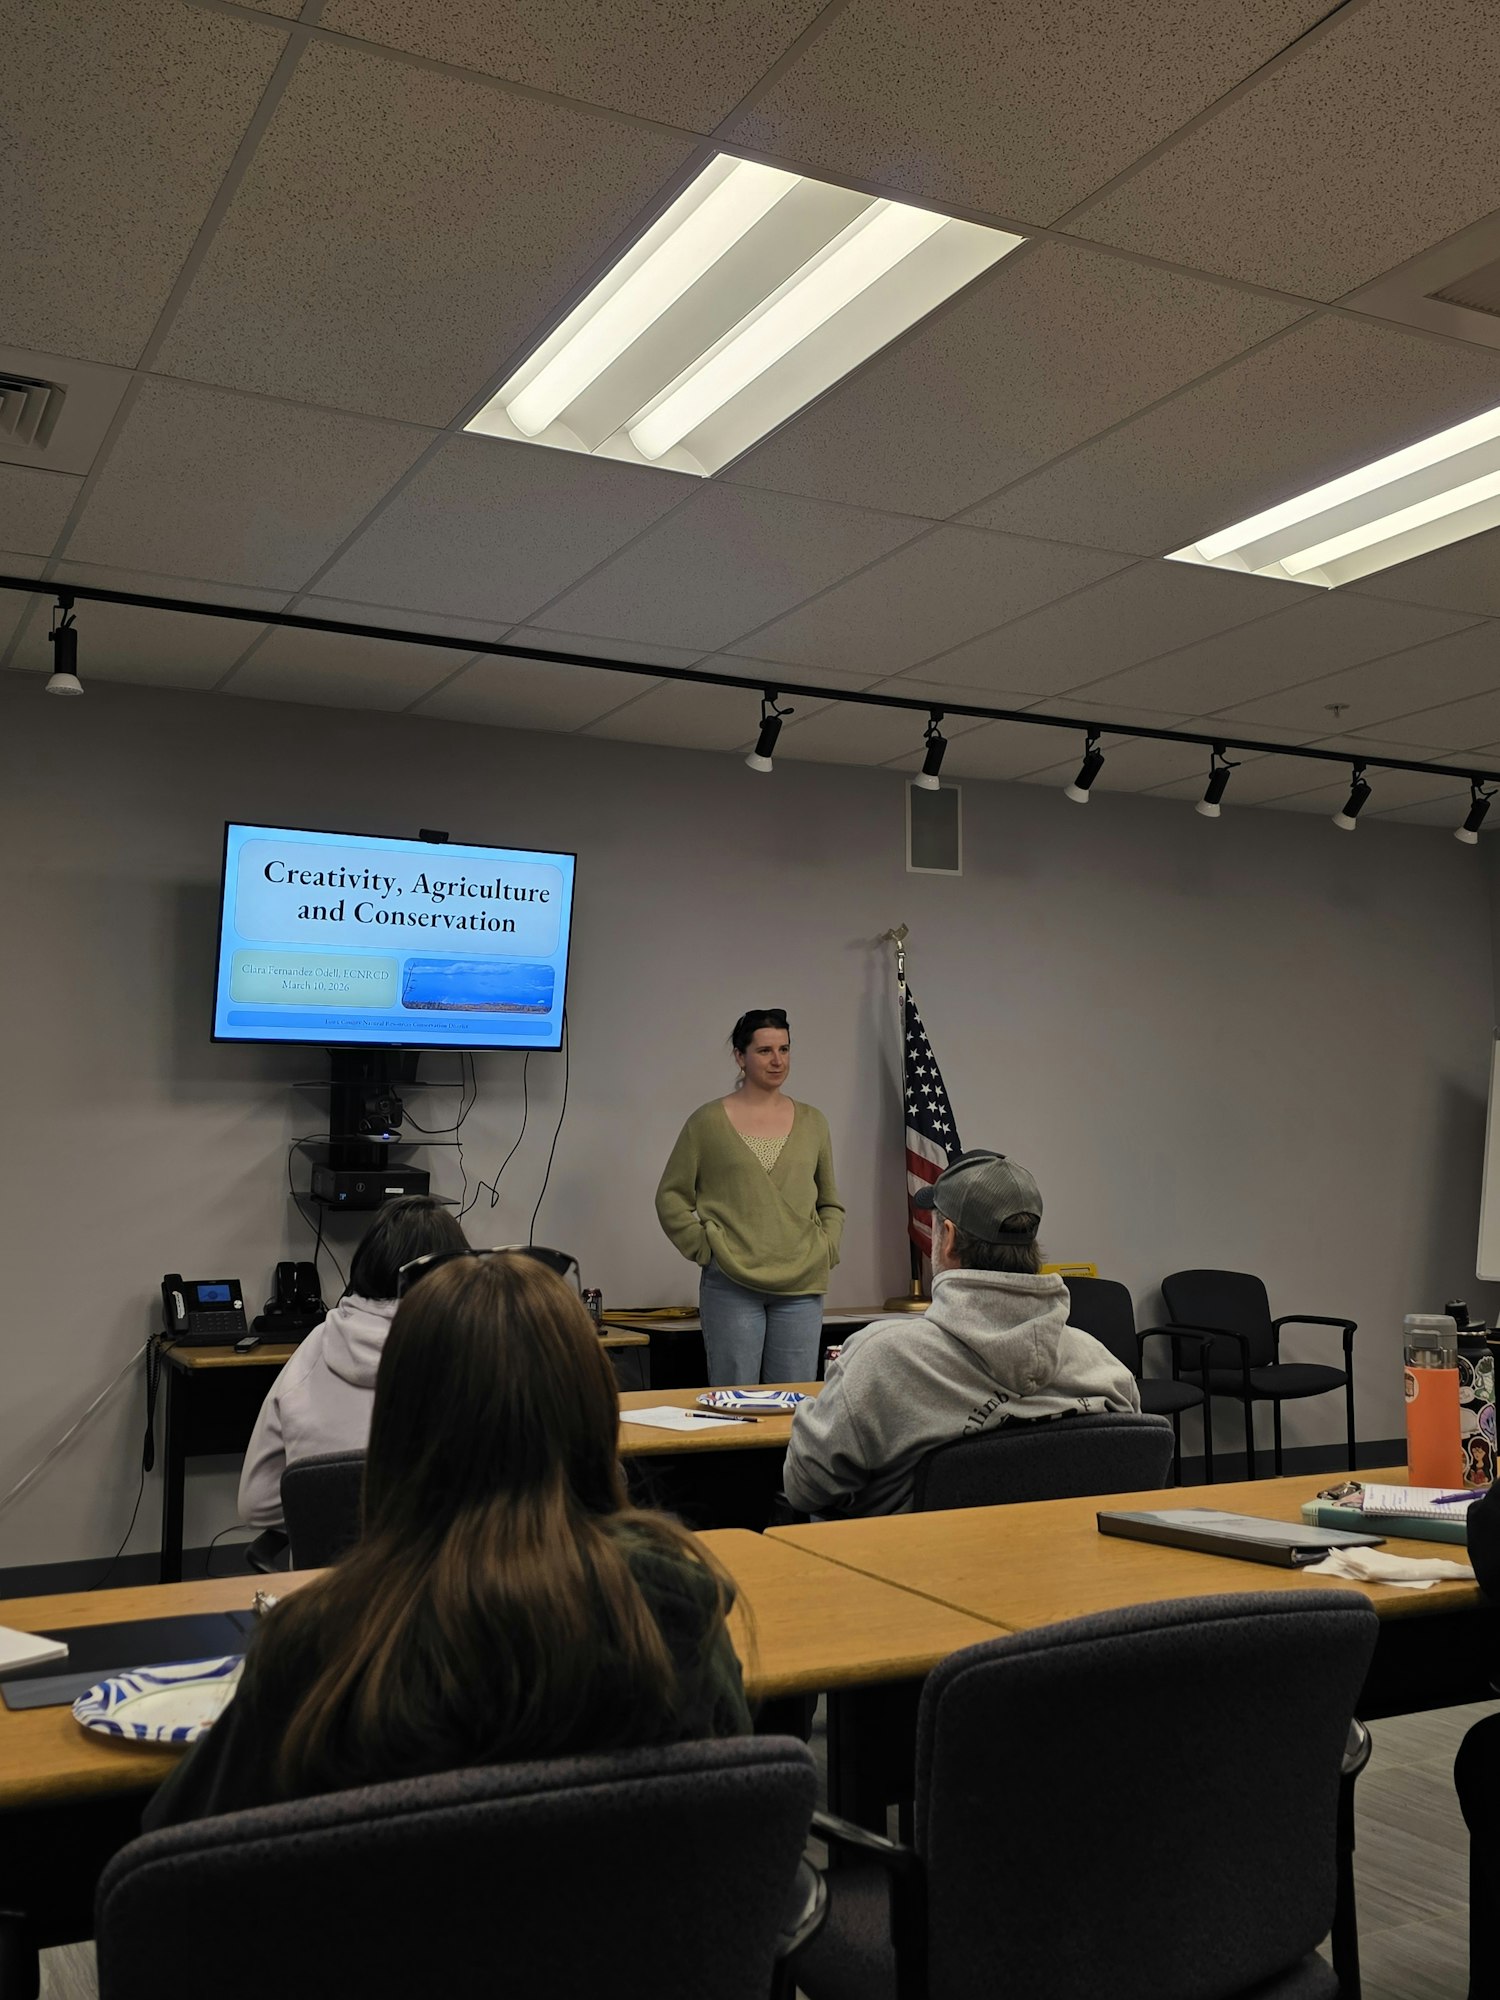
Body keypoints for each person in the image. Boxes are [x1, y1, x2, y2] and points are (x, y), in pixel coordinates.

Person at [146, 1252, 750, 1828]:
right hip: (631, 1933)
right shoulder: (673, 1601)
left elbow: (173, 1854)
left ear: (399, 1421)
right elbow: (733, 1819)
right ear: (592, 1410)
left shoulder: (320, 1638)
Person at [782, 1150, 1140, 1518]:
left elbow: (805, 1487)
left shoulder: (880, 1360)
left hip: (910, 1570)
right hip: (1063, 1570)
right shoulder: (1105, 1369)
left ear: (947, 1238)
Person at [237, 1194, 470, 1530]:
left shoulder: (318, 1343)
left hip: (330, 1577)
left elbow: (254, 1505)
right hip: (440, 1573)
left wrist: (334, 1513)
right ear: (454, 1272)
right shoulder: (473, 1348)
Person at [655, 1008, 844, 1386]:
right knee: (734, 1397)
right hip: (731, 1283)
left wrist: (827, 1247)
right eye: (764, 1051)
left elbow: (829, 1200)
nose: (777, 1060)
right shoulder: (707, 1122)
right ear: (740, 1057)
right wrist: (705, 1247)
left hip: (801, 1285)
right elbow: (670, 1197)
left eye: (785, 1049)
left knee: (795, 1402)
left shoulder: (813, 1122)